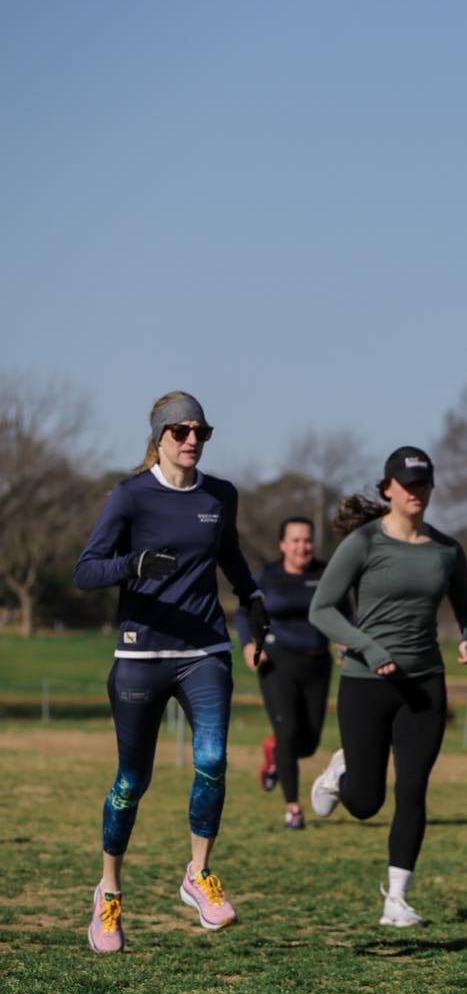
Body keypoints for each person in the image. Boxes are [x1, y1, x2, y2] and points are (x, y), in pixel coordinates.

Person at [74, 391, 268, 953]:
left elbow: (228, 553)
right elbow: (85, 571)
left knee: (211, 758)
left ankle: (197, 874)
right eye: (181, 431)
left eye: (200, 432)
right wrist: (131, 565)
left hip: (205, 649)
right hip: (141, 656)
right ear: (158, 436)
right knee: (132, 781)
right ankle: (108, 894)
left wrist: (252, 595)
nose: (191, 441)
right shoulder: (130, 496)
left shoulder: (219, 495)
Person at [306, 447, 467, 927]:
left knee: (414, 788)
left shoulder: (447, 550)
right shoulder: (364, 543)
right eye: (408, 485)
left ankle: (397, 900)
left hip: (424, 685)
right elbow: (321, 609)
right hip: (366, 684)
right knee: (366, 804)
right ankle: (341, 772)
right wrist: (369, 648)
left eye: (424, 484)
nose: (417, 493)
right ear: (388, 489)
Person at [236, 516, 339, 830]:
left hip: (317, 662)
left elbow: (346, 611)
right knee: (288, 732)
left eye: (307, 540)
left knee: (306, 744)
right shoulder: (268, 576)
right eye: (295, 540)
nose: (302, 546)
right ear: (282, 544)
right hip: (278, 662)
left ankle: (273, 753)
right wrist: (248, 644)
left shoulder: (326, 573)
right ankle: (293, 808)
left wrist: (349, 643)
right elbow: (244, 611)